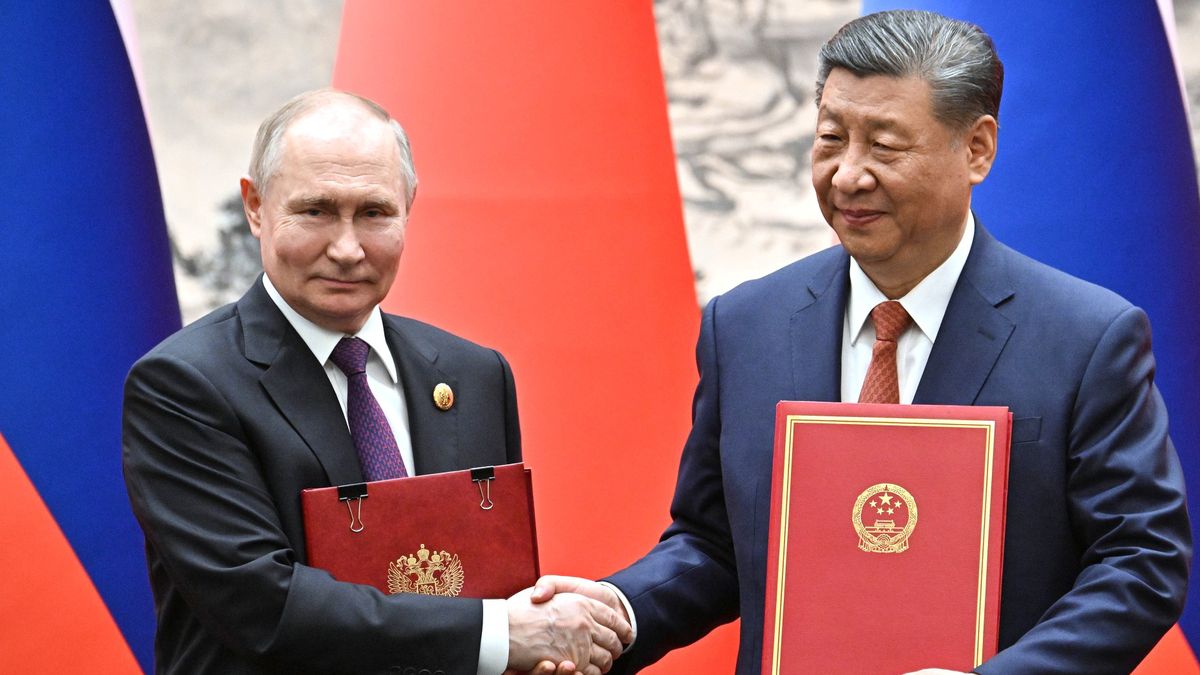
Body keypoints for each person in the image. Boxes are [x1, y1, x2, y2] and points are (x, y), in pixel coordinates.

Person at [531, 9, 1191, 674]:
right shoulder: (748, 325)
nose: (848, 175)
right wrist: (618, 609)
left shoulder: (1084, 338)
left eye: (885, 146)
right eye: (830, 139)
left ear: (977, 149)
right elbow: (715, 542)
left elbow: (1141, 560)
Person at [122, 89, 631, 675]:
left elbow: (495, 579)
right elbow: (262, 604)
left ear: (408, 206)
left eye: (374, 213)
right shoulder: (184, 385)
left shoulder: (474, 375)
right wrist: (502, 636)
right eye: (315, 211)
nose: (347, 248)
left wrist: (540, 641)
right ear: (256, 206)